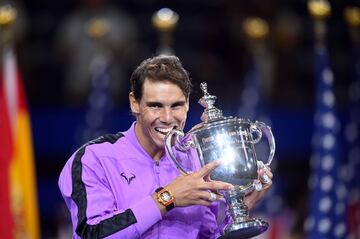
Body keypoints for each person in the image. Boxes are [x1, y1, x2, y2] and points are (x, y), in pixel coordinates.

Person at [58, 55, 273, 238]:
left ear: (188, 103)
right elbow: (92, 233)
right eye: (155, 106)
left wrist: (240, 210)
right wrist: (167, 198)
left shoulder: (199, 160)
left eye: (176, 106)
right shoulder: (94, 158)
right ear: (135, 103)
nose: (167, 118)